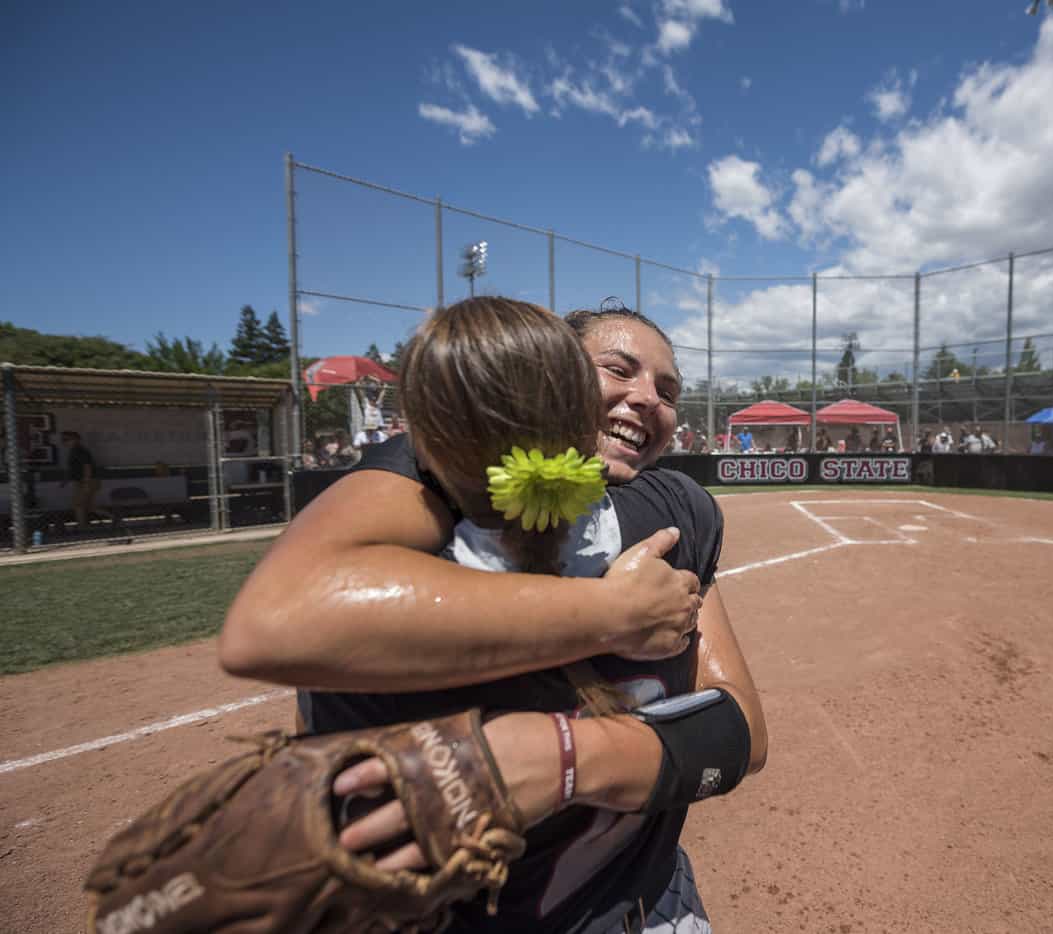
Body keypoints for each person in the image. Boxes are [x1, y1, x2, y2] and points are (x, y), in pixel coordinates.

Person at [221, 298, 765, 934]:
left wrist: (568, 760)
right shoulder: (426, 479)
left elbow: (741, 733)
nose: (649, 397)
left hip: (645, 908)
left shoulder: (679, 509)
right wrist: (610, 610)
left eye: (667, 389)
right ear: (549, 375)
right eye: (619, 370)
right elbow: (276, 619)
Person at [60, 430, 100, 526]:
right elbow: (72, 469)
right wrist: (65, 481)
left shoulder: (80, 451)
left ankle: (82, 525)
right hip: (82, 481)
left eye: (67, 439)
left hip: (87, 481)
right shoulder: (73, 451)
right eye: (63, 439)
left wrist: (86, 483)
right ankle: (113, 518)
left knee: (78, 505)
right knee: (89, 507)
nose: (64, 441)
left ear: (76, 440)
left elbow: (87, 467)